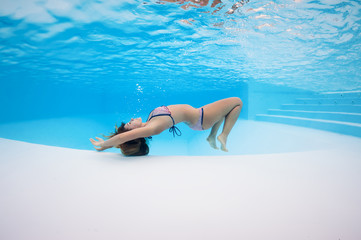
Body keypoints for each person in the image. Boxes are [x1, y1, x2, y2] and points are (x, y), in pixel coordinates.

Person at [90, 97, 243, 156]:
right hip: (202, 118)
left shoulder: (149, 122)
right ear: (136, 132)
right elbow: (124, 137)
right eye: (130, 124)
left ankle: (211, 136)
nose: (131, 119)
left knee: (225, 110)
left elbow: (125, 135)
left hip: (200, 115)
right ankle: (223, 136)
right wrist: (104, 145)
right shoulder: (153, 128)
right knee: (237, 102)